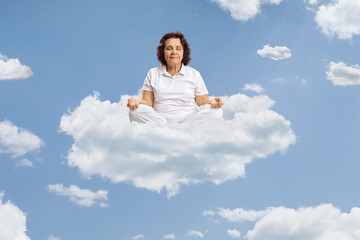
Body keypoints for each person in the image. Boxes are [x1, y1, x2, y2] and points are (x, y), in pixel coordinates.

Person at [127, 32, 224, 125]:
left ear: (183, 52)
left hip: (190, 121)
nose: (174, 52)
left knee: (217, 112)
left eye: (178, 48)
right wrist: (137, 101)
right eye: (169, 48)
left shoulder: (194, 74)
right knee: (134, 112)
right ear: (163, 52)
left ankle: (182, 128)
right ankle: (166, 128)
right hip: (160, 121)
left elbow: (203, 102)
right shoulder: (153, 73)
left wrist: (213, 103)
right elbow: (147, 102)